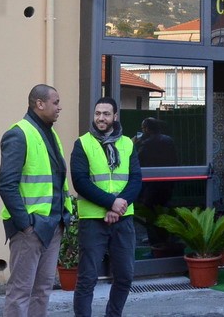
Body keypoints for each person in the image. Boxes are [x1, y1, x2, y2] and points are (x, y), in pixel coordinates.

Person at [0, 84, 73, 317]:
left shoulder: (50, 134)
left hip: (53, 225)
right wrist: (26, 225)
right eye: (55, 102)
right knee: (20, 291)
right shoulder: (19, 134)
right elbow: (6, 184)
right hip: (31, 230)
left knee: (42, 290)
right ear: (39, 104)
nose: (59, 107)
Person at [71, 97, 142, 317]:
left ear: (115, 116)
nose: (101, 118)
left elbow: (136, 179)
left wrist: (118, 207)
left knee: (125, 276)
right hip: (93, 220)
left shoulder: (128, 144)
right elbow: (80, 182)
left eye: (106, 114)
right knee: (87, 278)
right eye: (97, 113)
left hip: (123, 219)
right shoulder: (82, 143)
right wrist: (111, 203)